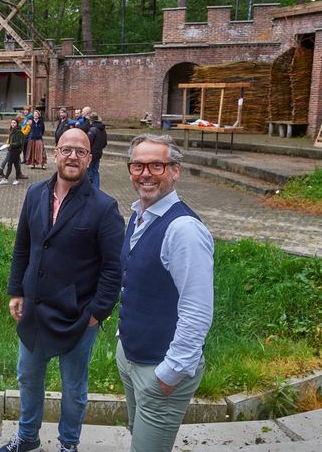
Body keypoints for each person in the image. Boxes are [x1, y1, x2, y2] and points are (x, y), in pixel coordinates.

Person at [0, 128, 125, 452]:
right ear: (55, 154)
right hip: (35, 310)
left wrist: (98, 312)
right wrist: (16, 290)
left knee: (73, 388)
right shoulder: (35, 194)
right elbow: (23, 247)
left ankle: (68, 445)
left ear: (90, 158)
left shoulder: (104, 207)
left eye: (80, 152)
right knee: (27, 377)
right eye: (66, 149)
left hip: (78, 316)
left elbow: (114, 267)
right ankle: (27, 438)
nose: (72, 156)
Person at [116, 133, 214, 452]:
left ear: (175, 171)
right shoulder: (140, 215)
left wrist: (170, 373)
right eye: (138, 165)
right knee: (137, 434)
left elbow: (197, 310)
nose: (146, 173)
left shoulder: (183, 230)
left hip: (161, 369)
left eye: (156, 165)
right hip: (133, 358)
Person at [0, 118, 26, 185]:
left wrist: (10, 145)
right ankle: (8, 179)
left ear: (17, 124)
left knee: (14, 165)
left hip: (16, 151)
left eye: (14, 123)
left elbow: (19, 143)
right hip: (11, 150)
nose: (13, 124)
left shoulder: (19, 132)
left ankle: (14, 179)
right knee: (12, 164)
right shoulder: (12, 130)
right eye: (12, 123)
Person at [86, 112, 108, 189]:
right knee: (96, 172)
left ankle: (89, 188)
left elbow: (88, 142)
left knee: (89, 172)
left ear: (91, 120)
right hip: (99, 154)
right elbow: (105, 142)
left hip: (91, 154)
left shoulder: (92, 129)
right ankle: (96, 188)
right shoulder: (102, 129)